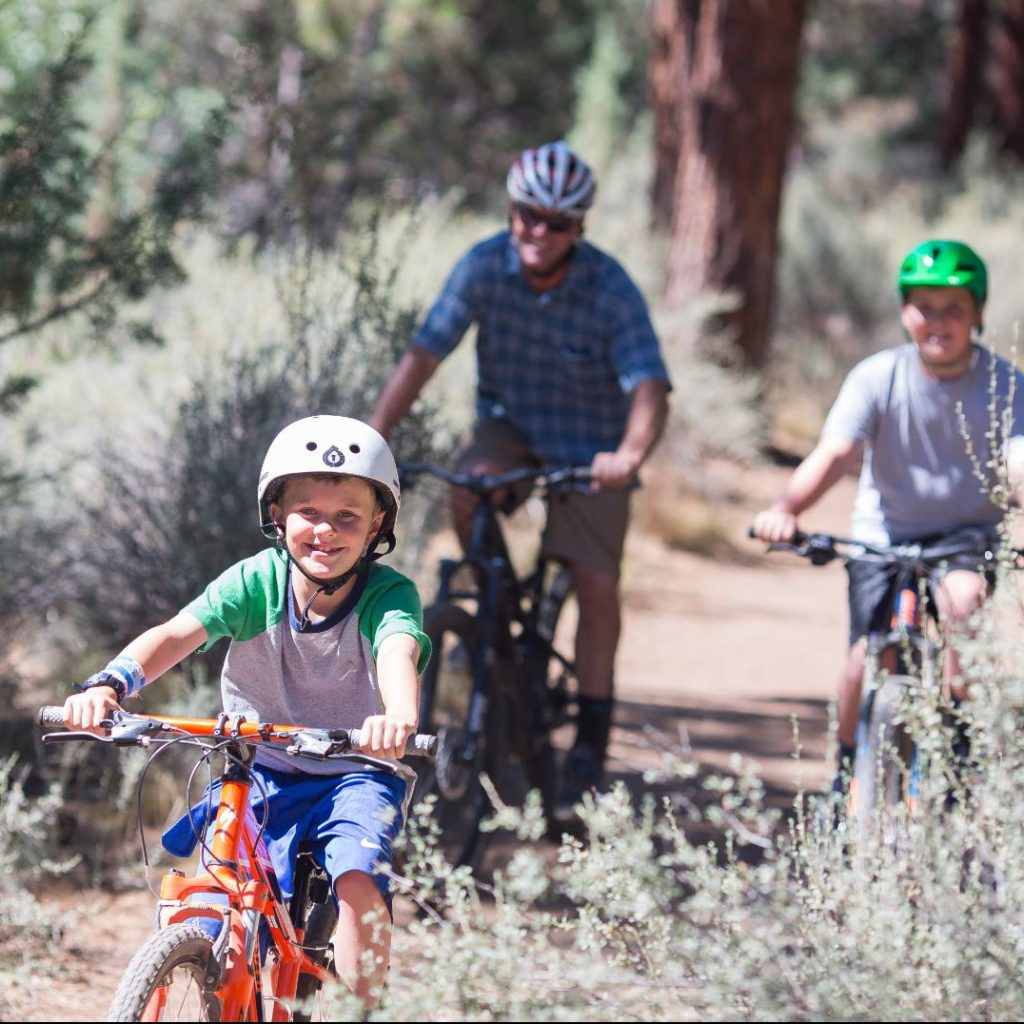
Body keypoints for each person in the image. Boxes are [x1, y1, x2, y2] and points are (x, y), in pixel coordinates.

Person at [63, 415, 430, 1008]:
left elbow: (398, 649)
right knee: (214, 885)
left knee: (360, 879)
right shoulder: (258, 582)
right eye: (308, 511)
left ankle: (365, 1007)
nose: (325, 532)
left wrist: (398, 716)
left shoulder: (388, 594)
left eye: (347, 517)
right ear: (278, 514)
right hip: (258, 766)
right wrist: (109, 683)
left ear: (376, 525)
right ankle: (201, 961)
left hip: (356, 769)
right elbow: (179, 633)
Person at [368, 140, 671, 816]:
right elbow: (424, 355)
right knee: (469, 488)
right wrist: (369, 439)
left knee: (595, 580)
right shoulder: (483, 266)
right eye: (529, 215)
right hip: (511, 433)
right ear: (511, 211)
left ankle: (589, 734)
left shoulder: (609, 287)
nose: (539, 231)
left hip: (592, 451)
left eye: (557, 223)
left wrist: (629, 453)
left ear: (579, 228)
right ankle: (491, 630)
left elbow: (650, 385)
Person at [751, 239, 1024, 798]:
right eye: (925, 307)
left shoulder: (1007, 384)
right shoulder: (877, 376)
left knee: (964, 603)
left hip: (966, 537)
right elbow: (834, 454)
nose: (939, 321)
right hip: (885, 536)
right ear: (905, 311)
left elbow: (1019, 459)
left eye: (955, 308)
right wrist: (786, 509)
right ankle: (845, 773)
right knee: (861, 658)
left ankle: (957, 759)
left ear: (977, 312)